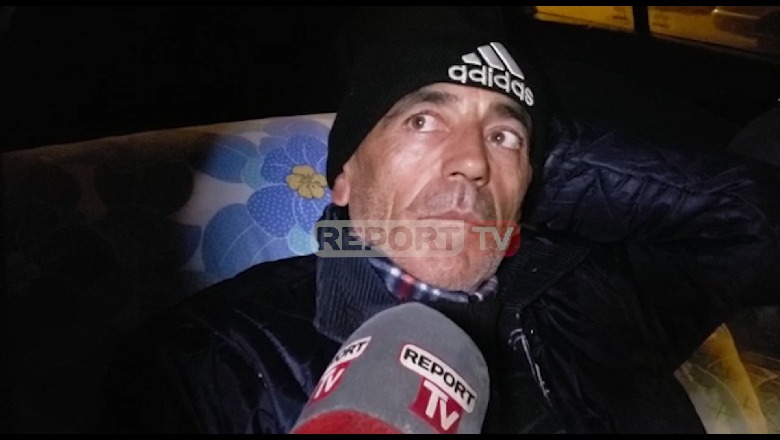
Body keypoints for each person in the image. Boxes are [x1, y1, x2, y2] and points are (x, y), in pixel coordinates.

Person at [102, 7, 780, 434]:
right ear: (344, 175)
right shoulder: (214, 358)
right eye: (423, 122)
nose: (473, 162)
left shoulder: (594, 293)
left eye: (503, 137)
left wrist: (538, 163)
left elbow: (757, 223)